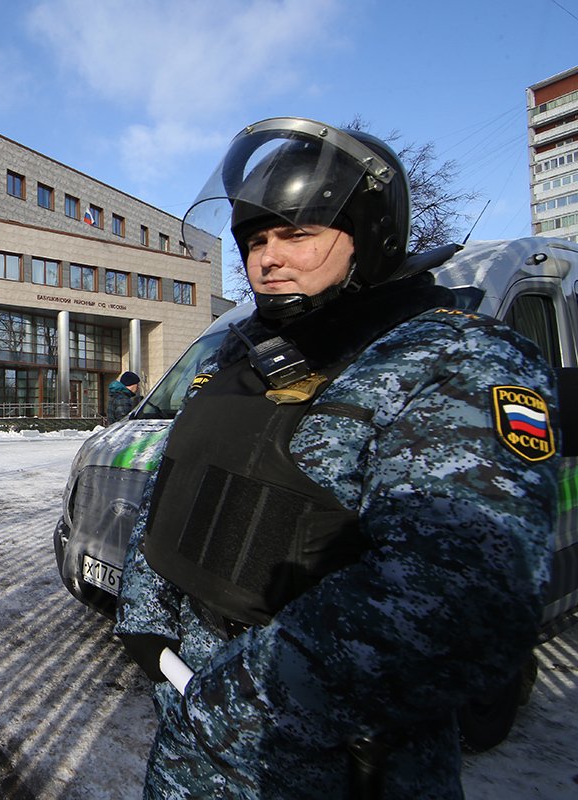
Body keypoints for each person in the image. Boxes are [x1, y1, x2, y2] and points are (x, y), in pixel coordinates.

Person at [114, 118, 558, 798]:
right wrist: (146, 618)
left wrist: (233, 698)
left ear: (370, 236)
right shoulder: (243, 356)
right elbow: (177, 481)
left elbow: (462, 600)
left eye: (296, 233)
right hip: (190, 716)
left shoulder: (455, 360)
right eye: (255, 240)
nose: (267, 258)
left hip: (332, 752)